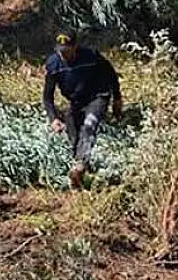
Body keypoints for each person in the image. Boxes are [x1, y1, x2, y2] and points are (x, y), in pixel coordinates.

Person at [43, 30, 124, 189]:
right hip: (76, 101)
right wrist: (54, 119)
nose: (63, 55)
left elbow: (111, 73)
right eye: (60, 51)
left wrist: (117, 98)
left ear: (75, 47)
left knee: (88, 127)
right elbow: (47, 97)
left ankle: (81, 165)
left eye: (67, 51)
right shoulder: (53, 64)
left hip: (98, 96)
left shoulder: (91, 57)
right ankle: (80, 173)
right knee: (73, 136)